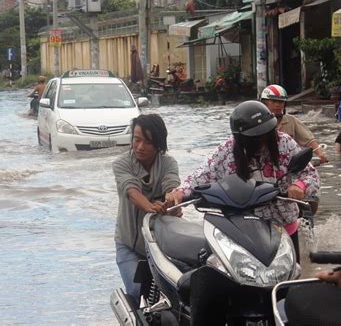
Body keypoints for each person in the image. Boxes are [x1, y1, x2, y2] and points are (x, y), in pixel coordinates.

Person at [166, 101, 320, 263]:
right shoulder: (226, 151)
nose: (262, 141)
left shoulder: (285, 143)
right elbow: (200, 176)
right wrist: (180, 192)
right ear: (241, 138)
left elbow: (310, 175)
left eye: (266, 134)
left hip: (284, 229)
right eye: (256, 137)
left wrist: (299, 185)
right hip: (243, 232)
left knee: (290, 281)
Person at [113, 114, 181, 302]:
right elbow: (132, 192)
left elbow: (172, 187)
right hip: (129, 246)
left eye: (148, 142)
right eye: (137, 140)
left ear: (159, 144)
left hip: (162, 246)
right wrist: (152, 208)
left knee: (179, 291)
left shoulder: (168, 163)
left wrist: (171, 204)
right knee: (137, 291)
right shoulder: (121, 163)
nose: (140, 147)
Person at [260, 84, 328, 163]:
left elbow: (308, 140)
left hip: (288, 163)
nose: (277, 105)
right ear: (265, 103)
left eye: (281, 102)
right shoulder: (259, 122)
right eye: (274, 101)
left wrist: (320, 154)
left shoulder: (291, 120)